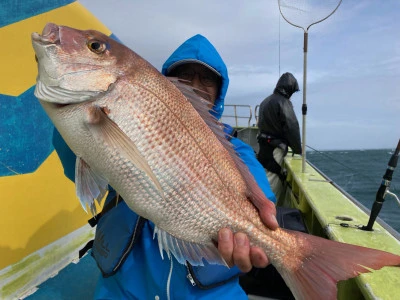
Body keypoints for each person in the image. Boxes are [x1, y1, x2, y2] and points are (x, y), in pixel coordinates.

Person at [53, 34, 278, 299]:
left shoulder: (236, 149)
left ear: (220, 90)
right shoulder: (134, 124)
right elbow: (75, 162)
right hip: (125, 290)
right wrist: (72, 111)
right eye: (184, 75)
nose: (195, 84)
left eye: (206, 78)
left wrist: (261, 229)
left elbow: (260, 197)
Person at [257, 72, 301, 202]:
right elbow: (292, 126)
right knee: (272, 186)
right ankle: (268, 218)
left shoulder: (265, 101)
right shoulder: (283, 103)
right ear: (289, 89)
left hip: (264, 146)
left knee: (264, 181)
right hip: (275, 149)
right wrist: (298, 150)